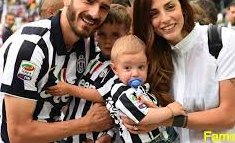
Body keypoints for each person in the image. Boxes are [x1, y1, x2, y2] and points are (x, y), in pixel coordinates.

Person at [0, 0, 115, 143]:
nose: (95, 13)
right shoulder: (30, 47)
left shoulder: (87, 45)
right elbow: (19, 134)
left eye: (104, 7)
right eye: (88, 1)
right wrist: (86, 124)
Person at [126, 0, 235, 143]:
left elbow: (228, 117)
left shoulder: (225, 40)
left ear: (183, 6)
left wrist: (166, 118)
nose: (164, 19)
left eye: (170, 7)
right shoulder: (153, 58)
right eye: (153, 14)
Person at [48, 35, 186, 143]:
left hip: (162, 136)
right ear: (115, 69)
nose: (135, 73)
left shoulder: (141, 88)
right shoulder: (122, 93)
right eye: (127, 68)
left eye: (141, 67)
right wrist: (170, 111)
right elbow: (143, 117)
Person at [48, 4, 132, 143]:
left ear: (127, 35)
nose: (108, 41)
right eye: (102, 34)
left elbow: (104, 95)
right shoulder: (92, 58)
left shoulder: (123, 67)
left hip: (92, 136)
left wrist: (68, 89)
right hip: (70, 132)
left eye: (115, 35)